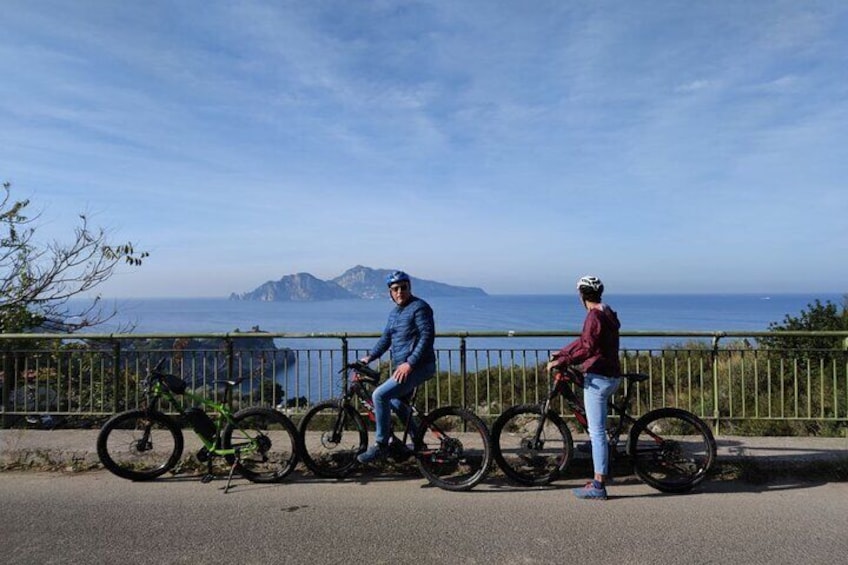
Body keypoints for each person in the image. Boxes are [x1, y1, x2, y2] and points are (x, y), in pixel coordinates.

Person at [547, 275, 621, 500]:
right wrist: (563, 353)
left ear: (581, 296)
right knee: (598, 427)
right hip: (611, 374)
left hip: (599, 378)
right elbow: (583, 342)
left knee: (596, 432)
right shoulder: (606, 312)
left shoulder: (593, 316)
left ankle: (598, 485)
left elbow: (587, 347)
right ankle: (600, 452)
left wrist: (562, 362)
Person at [356, 270, 437, 464]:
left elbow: (427, 337)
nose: (399, 292)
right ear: (390, 293)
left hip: (419, 366)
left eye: (403, 287)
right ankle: (419, 442)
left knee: (379, 395)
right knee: (397, 403)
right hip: (407, 366)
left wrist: (410, 363)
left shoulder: (420, 307)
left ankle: (381, 445)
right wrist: (371, 357)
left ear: (409, 288)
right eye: (395, 289)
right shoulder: (394, 314)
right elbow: (386, 338)